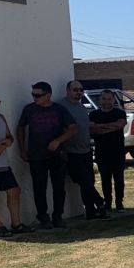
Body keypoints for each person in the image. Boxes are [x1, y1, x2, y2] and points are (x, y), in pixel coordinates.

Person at [17, 82, 77, 229]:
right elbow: (20, 128)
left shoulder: (59, 109)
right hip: (36, 155)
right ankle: (43, 216)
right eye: (33, 95)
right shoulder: (29, 109)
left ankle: (58, 215)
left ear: (48, 95)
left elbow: (73, 128)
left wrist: (58, 141)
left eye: (38, 95)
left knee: (58, 186)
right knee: (39, 187)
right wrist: (22, 149)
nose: (34, 98)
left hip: (57, 154)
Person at [58, 81, 109, 221]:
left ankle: (91, 212)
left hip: (85, 150)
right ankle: (99, 201)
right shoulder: (61, 106)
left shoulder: (81, 107)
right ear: (67, 90)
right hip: (70, 151)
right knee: (84, 180)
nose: (79, 92)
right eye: (75, 89)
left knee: (88, 182)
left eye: (81, 90)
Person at [0, 91, 34, 237]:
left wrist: (8, 141)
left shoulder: (0, 117)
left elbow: (9, 136)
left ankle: (16, 223)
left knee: (14, 191)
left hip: (3, 164)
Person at [89, 90, 127, 212]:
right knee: (105, 180)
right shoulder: (94, 114)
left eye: (109, 99)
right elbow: (92, 129)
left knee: (119, 179)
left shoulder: (120, 113)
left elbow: (120, 125)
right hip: (101, 153)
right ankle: (108, 203)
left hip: (118, 152)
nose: (106, 101)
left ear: (114, 100)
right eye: (104, 99)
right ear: (100, 100)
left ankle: (119, 203)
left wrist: (101, 127)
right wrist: (112, 127)